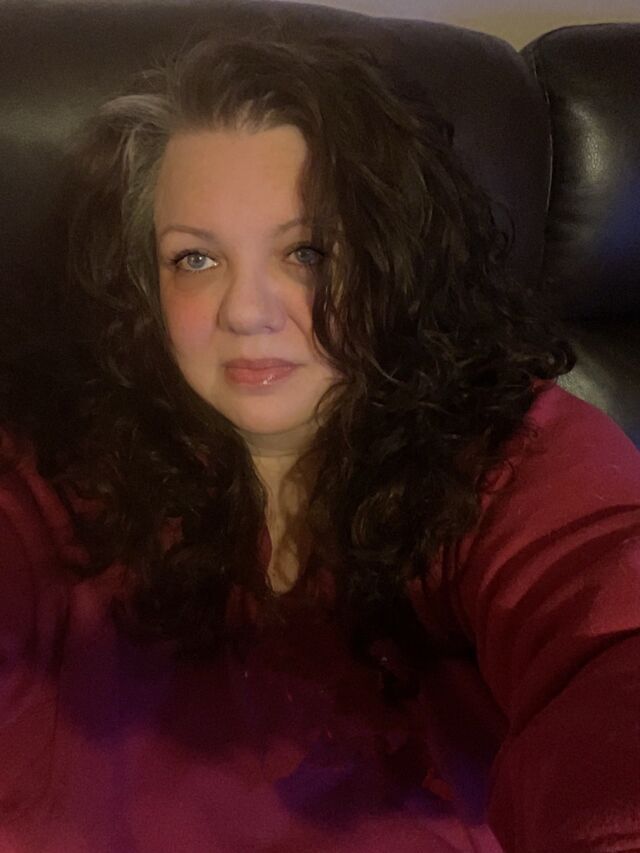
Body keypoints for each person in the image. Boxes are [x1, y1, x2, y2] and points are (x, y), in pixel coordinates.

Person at [0, 28, 638, 853]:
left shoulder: (509, 452)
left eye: (306, 251)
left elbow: (611, 627)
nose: (246, 311)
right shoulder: (62, 460)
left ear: (392, 259)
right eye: (195, 259)